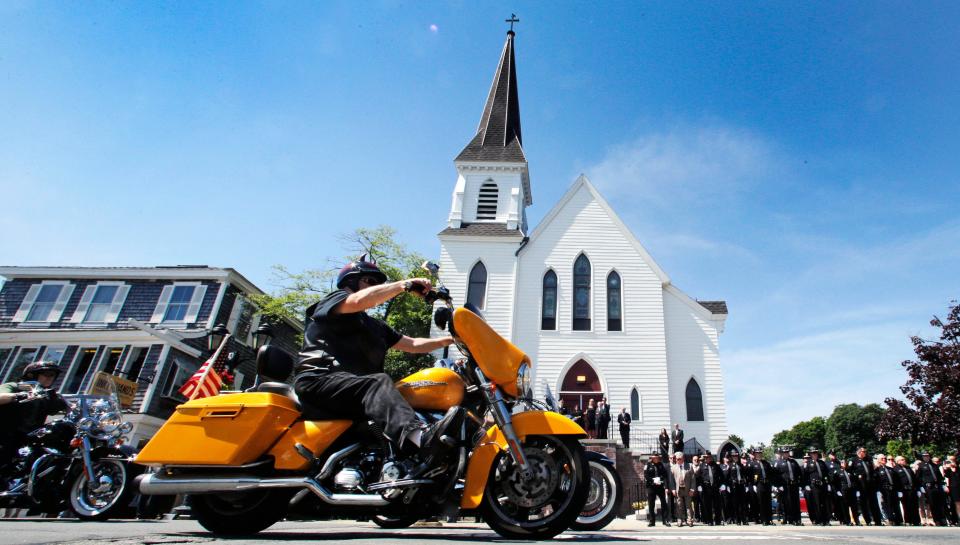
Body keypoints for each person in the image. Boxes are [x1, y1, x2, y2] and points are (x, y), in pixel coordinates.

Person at [294, 257, 456, 469]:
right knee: (378, 383)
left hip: (353, 393)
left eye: (377, 284)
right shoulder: (335, 302)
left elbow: (414, 344)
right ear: (350, 282)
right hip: (319, 381)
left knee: (402, 393)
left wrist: (454, 339)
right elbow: (358, 301)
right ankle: (421, 439)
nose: (375, 287)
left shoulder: (374, 326)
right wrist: (402, 285)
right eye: (369, 281)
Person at [0, 361, 69, 474]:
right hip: (6, 433)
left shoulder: (48, 395)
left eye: (53, 375)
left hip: (30, 437)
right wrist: (17, 395)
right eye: (47, 374)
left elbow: (67, 408)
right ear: (32, 375)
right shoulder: (14, 386)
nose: (50, 378)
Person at [852, 447, 883, 526]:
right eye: (863, 451)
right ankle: (868, 521)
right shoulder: (854, 461)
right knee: (864, 504)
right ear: (858, 452)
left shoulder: (868, 459)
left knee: (874, 503)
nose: (864, 453)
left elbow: (873, 470)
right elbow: (851, 473)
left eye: (865, 451)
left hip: (871, 485)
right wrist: (856, 488)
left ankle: (878, 521)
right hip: (861, 486)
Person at [918, 451, 948, 526]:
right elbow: (918, 477)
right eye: (924, 456)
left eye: (927, 456)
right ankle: (936, 520)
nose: (926, 457)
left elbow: (939, 476)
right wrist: (921, 487)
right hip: (928, 487)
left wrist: (943, 484)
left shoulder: (934, 465)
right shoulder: (921, 466)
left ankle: (942, 519)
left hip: (937, 486)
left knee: (940, 503)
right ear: (922, 457)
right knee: (932, 504)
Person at [803, 447, 831, 526]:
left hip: (823, 485)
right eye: (813, 453)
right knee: (816, 503)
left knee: (825, 503)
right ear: (810, 454)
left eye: (815, 453)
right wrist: (806, 485)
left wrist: (828, 483)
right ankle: (819, 520)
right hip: (814, 485)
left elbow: (826, 473)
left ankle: (826, 520)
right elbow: (805, 476)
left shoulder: (821, 463)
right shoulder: (808, 463)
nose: (815, 454)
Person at [775, 446, 803, 525]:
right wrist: (778, 485)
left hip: (794, 484)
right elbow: (776, 475)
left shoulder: (793, 462)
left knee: (795, 502)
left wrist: (800, 483)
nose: (786, 454)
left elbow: (799, 473)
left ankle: (797, 519)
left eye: (787, 452)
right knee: (787, 503)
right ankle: (788, 518)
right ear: (782, 453)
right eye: (784, 453)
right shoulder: (778, 463)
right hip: (785, 485)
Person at [748, 447, 775, 525]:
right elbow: (750, 476)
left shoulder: (766, 463)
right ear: (755, 454)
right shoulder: (752, 464)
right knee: (761, 502)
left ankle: (769, 519)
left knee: (768, 501)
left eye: (760, 453)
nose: (759, 455)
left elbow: (770, 473)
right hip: (759, 484)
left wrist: (772, 484)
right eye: (757, 453)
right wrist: (753, 485)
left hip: (767, 483)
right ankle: (764, 519)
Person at [874, 453, 902, 525]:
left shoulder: (890, 469)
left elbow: (896, 480)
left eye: (885, 458)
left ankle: (899, 520)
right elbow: (876, 481)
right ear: (878, 460)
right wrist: (878, 491)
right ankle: (890, 519)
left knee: (896, 505)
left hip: (893, 489)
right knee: (887, 505)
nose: (884, 459)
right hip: (884, 489)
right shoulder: (877, 470)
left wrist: (899, 490)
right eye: (882, 459)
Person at [697, 451, 724, 525]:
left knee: (717, 505)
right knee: (707, 505)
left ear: (711, 457)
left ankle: (718, 520)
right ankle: (710, 521)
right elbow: (698, 477)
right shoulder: (702, 466)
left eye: (708, 457)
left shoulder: (715, 465)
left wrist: (721, 484)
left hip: (715, 487)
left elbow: (721, 475)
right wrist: (699, 486)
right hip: (706, 487)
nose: (706, 458)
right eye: (705, 457)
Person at [644, 452, 671, 526]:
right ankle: (652, 521)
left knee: (664, 503)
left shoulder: (661, 465)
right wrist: (653, 480)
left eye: (657, 458)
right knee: (651, 504)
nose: (656, 459)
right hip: (651, 486)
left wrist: (660, 479)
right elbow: (646, 475)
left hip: (660, 486)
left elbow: (664, 475)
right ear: (652, 458)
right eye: (655, 458)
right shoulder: (648, 465)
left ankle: (665, 520)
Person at [670, 451, 695, 526]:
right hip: (678, 489)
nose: (678, 460)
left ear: (683, 458)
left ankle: (689, 520)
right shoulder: (674, 467)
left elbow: (693, 479)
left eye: (679, 459)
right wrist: (673, 489)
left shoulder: (689, 466)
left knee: (688, 505)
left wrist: (692, 489)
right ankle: (679, 520)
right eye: (676, 459)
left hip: (687, 489)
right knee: (679, 505)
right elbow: (672, 480)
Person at [895, 455, 921, 526]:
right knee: (906, 506)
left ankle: (916, 521)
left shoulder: (908, 468)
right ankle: (908, 521)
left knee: (915, 506)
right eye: (902, 459)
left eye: (904, 459)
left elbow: (914, 479)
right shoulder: (896, 469)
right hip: (904, 490)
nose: (904, 460)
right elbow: (896, 481)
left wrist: (918, 489)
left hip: (912, 489)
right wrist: (899, 490)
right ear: (898, 461)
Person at [723, 451, 747, 525]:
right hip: (734, 486)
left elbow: (744, 475)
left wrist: (745, 482)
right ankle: (738, 520)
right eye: (733, 456)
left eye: (736, 456)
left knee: (742, 503)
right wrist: (728, 485)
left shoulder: (741, 465)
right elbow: (727, 477)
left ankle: (744, 519)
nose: (735, 457)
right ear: (732, 457)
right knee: (735, 504)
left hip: (741, 485)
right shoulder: (730, 465)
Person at [837, 459, 861, 525]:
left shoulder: (851, 471)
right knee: (845, 507)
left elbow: (855, 481)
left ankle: (857, 521)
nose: (844, 463)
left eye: (845, 462)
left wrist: (857, 490)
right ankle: (848, 521)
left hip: (852, 490)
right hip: (843, 491)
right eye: (842, 462)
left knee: (854, 507)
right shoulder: (838, 472)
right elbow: (835, 482)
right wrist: (838, 491)